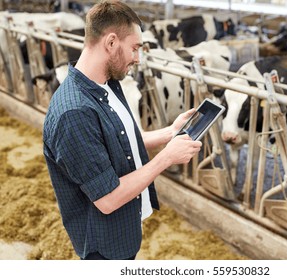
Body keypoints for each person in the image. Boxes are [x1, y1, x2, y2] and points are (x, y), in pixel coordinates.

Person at [43, 0, 202, 260]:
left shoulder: (107, 85)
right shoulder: (74, 113)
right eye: (135, 48)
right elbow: (108, 200)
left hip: (123, 230)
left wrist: (169, 134)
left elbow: (118, 142)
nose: (138, 59)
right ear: (111, 42)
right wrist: (167, 158)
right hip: (104, 247)